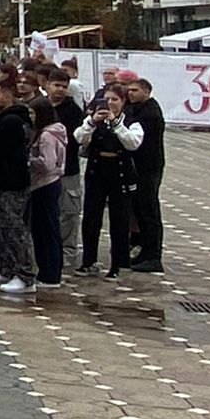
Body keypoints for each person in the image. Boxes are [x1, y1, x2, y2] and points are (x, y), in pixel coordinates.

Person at [74, 86, 140, 278]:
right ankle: (88, 260)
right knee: (91, 217)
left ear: (123, 102)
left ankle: (118, 263)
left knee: (119, 219)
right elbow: (79, 137)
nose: (110, 103)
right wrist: (92, 122)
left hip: (119, 172)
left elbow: (133, 143)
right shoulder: (93, 120)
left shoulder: (130, 122)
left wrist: (116, 125)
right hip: (97, 170)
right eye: (107, 99)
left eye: (115, 99)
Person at [0, 79, 37, 297]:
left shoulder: (12, 120)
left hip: (12, 182)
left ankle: (24, 274)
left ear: (7, 94)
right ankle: (7, 267)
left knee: (13, 228)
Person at [122, 75, 166, 272]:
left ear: (146, 92)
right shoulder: (134, 109)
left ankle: (153, 255)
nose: (131, 94)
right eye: (129, 90)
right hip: (136, 168)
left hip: (148, 168)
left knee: (149, 211)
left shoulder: (150, 113)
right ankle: (144, 252)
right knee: (139, 210)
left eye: (135, 90)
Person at [41, 70, 84, 264]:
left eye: (64, 86)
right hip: (44, 169)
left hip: (68, 169)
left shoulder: (73, 111)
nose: (60, 90)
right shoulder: (41, 106)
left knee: (69, 212)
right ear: (47, 84)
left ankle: (68, 252)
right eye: (56, 85)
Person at [27, 91, 68, 290]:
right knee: (48, 228)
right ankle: (50, 270)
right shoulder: (55, 132)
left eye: (33, 114)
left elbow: (47, 163)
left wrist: (28, 161)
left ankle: (50, 273)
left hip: (45, 184)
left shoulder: (46, 136)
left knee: (46, 229)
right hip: (49, 183)